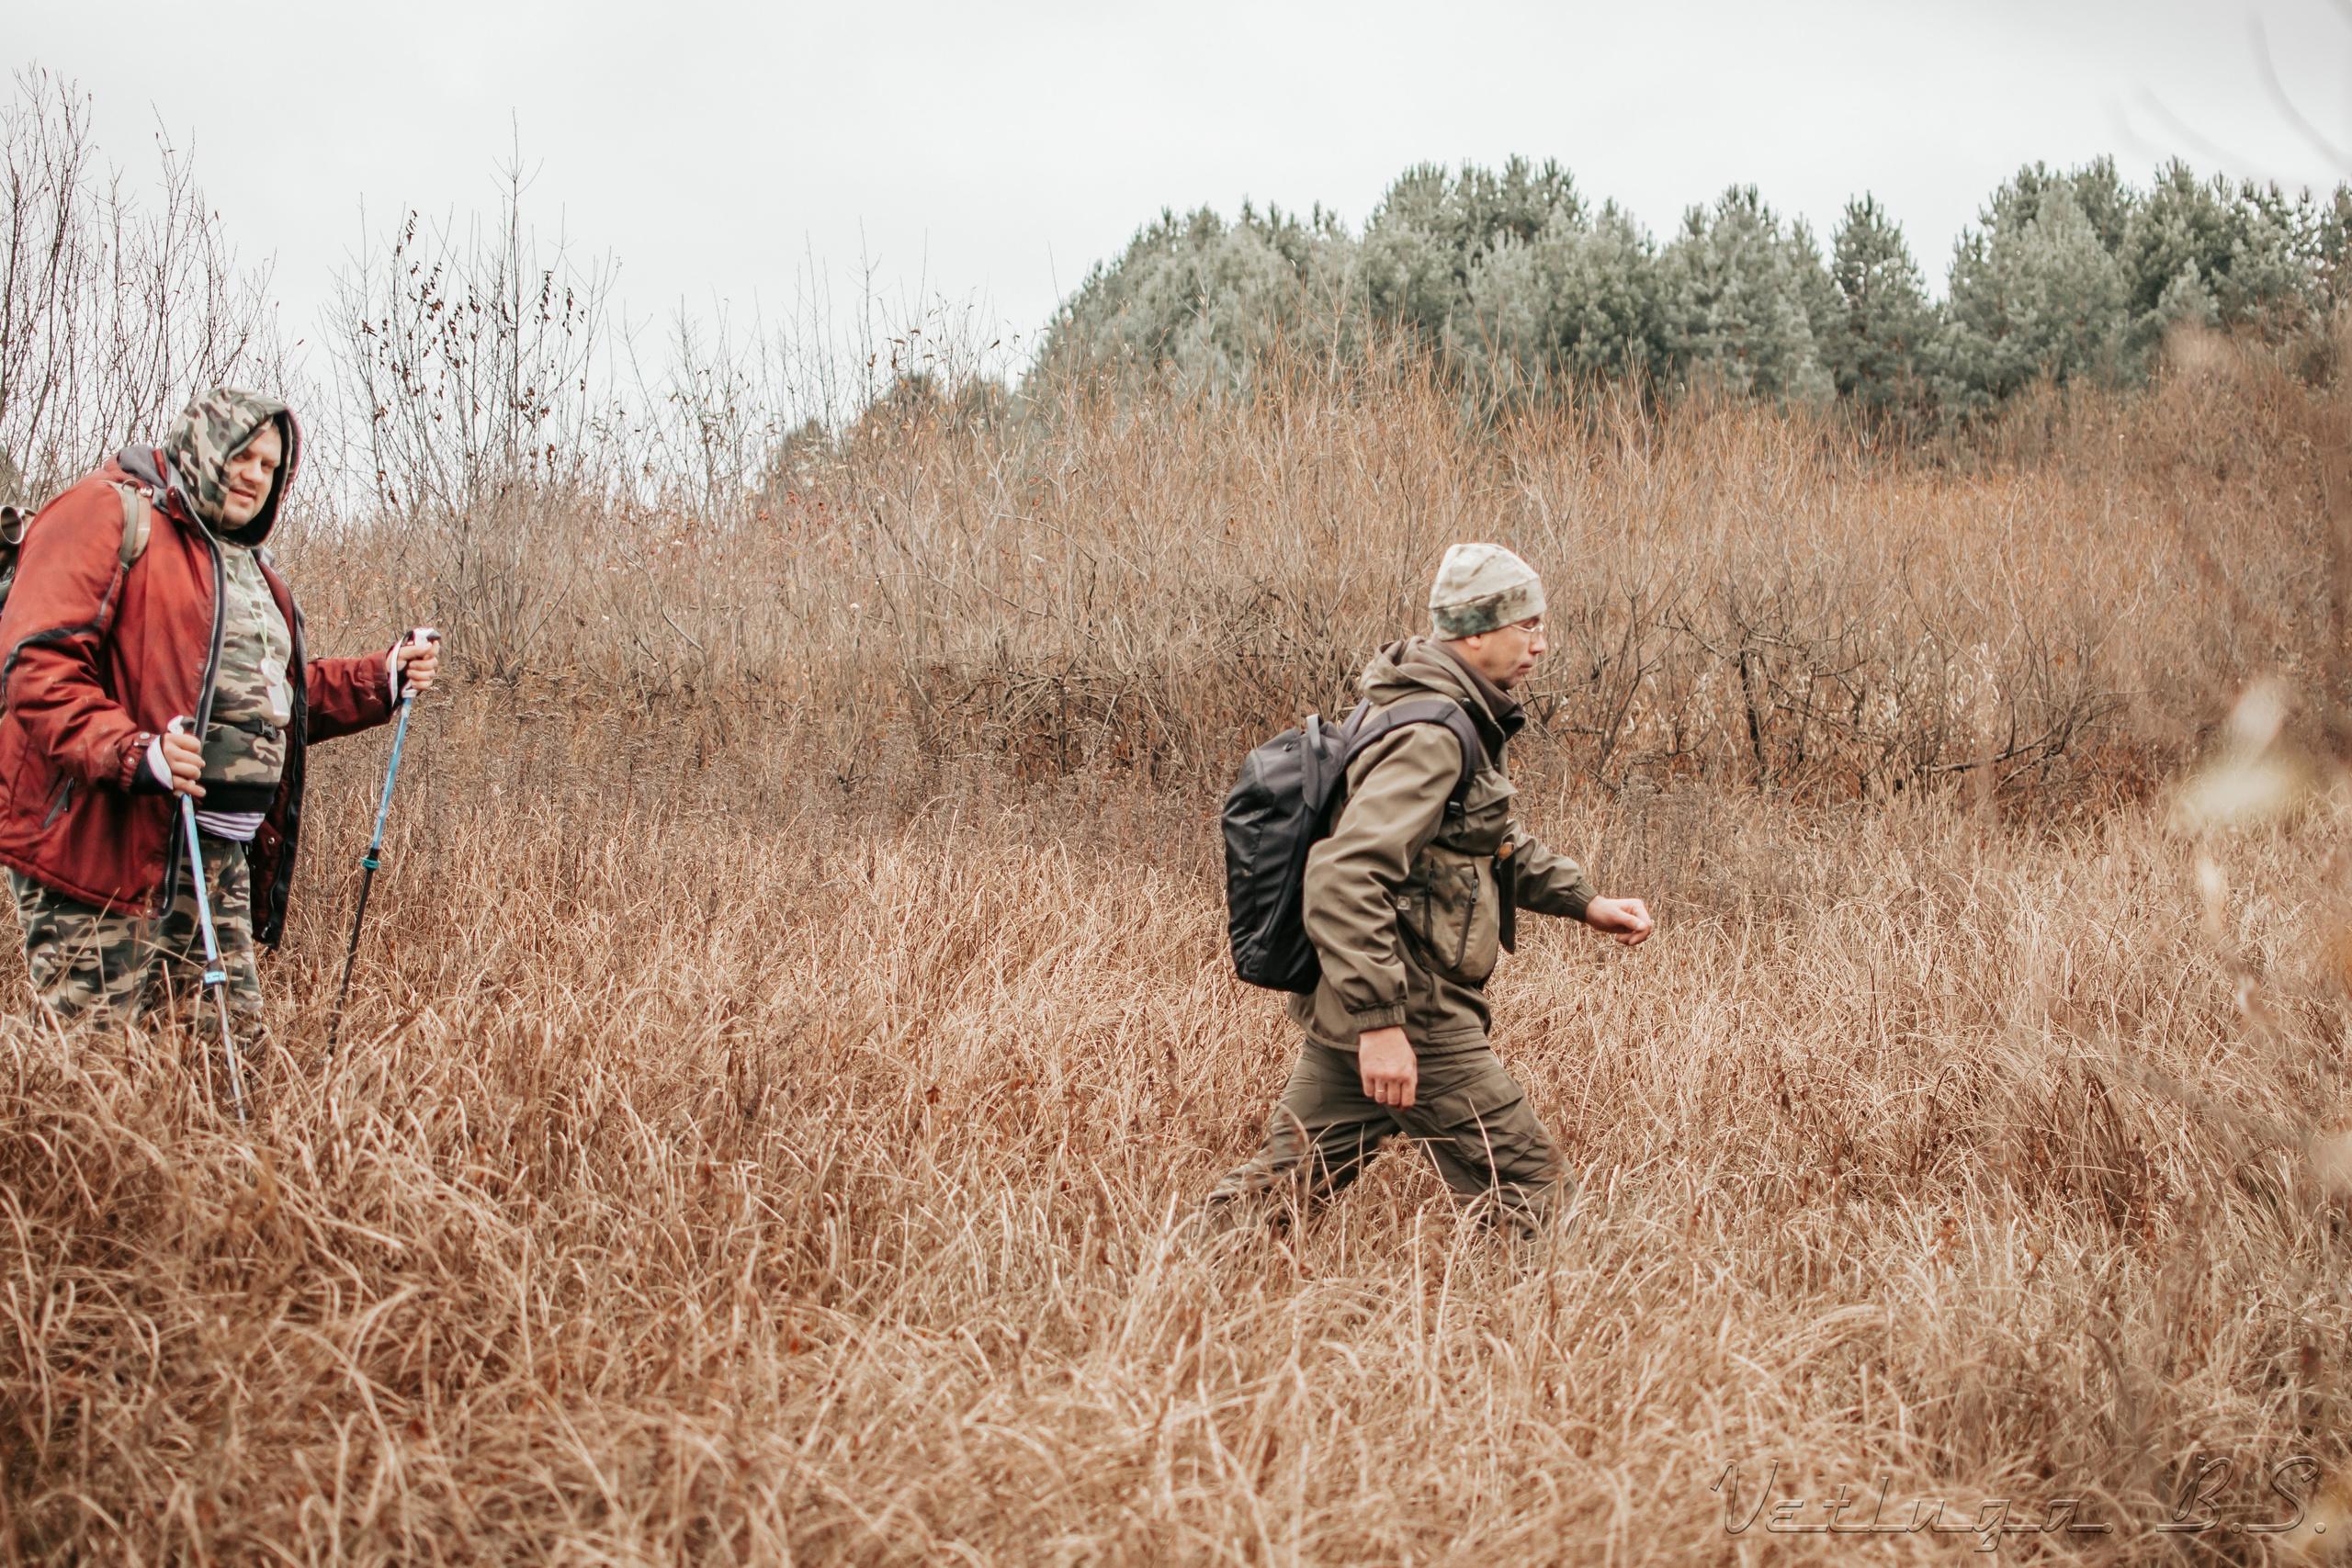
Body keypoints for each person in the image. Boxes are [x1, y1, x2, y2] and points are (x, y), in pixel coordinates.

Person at [1205, 542, 1652, 1238]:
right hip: (1414, 1011)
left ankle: (1179, 1284)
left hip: (1356, 997)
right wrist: (1384, 1027)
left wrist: (1584, 900)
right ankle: (1542, 1336)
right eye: (1527, 625)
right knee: (1534, 1194)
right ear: (1476, 631)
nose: (1542, 643)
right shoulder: (1432, 732)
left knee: (1278, 1193)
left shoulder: (1437, 706)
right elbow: (1344, 875)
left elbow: (1478, 842)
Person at [0, 387, 437, 1032]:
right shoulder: (104, 513)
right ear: (205, 445)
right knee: (91, 1061)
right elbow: (37, 668)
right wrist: (134, 751)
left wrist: (383, 677)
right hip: (100, 843)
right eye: (244, 455)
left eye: (270, 466)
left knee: (227, 1055)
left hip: (210, 855)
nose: (255, 475)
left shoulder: (246, 567)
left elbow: (267, 702)